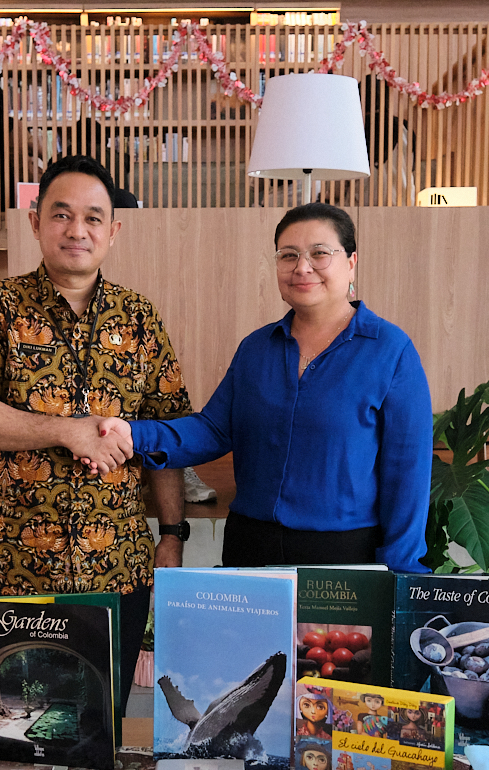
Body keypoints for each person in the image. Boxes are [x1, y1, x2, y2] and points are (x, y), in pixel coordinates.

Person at [0, 154, 193, 692]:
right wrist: (63, 428)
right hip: (9, 563)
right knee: (13, 727)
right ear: (35, 221)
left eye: (94, 217)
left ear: (113, 230)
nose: (78, 230)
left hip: (115, 565)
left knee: (105, 727)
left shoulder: (140, 318)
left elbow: (166, 434)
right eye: (61, 214)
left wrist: (171, 534)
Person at [105, 203, 433, 572]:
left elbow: (407, 472)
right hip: (250, 548)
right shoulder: (257, 348)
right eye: (288, 255)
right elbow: (212, 430)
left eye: (320, 253)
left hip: (342, 557)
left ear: (352, 262)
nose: (302, 267)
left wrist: (400, 571)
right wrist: (132, 434)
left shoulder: (390, 350)